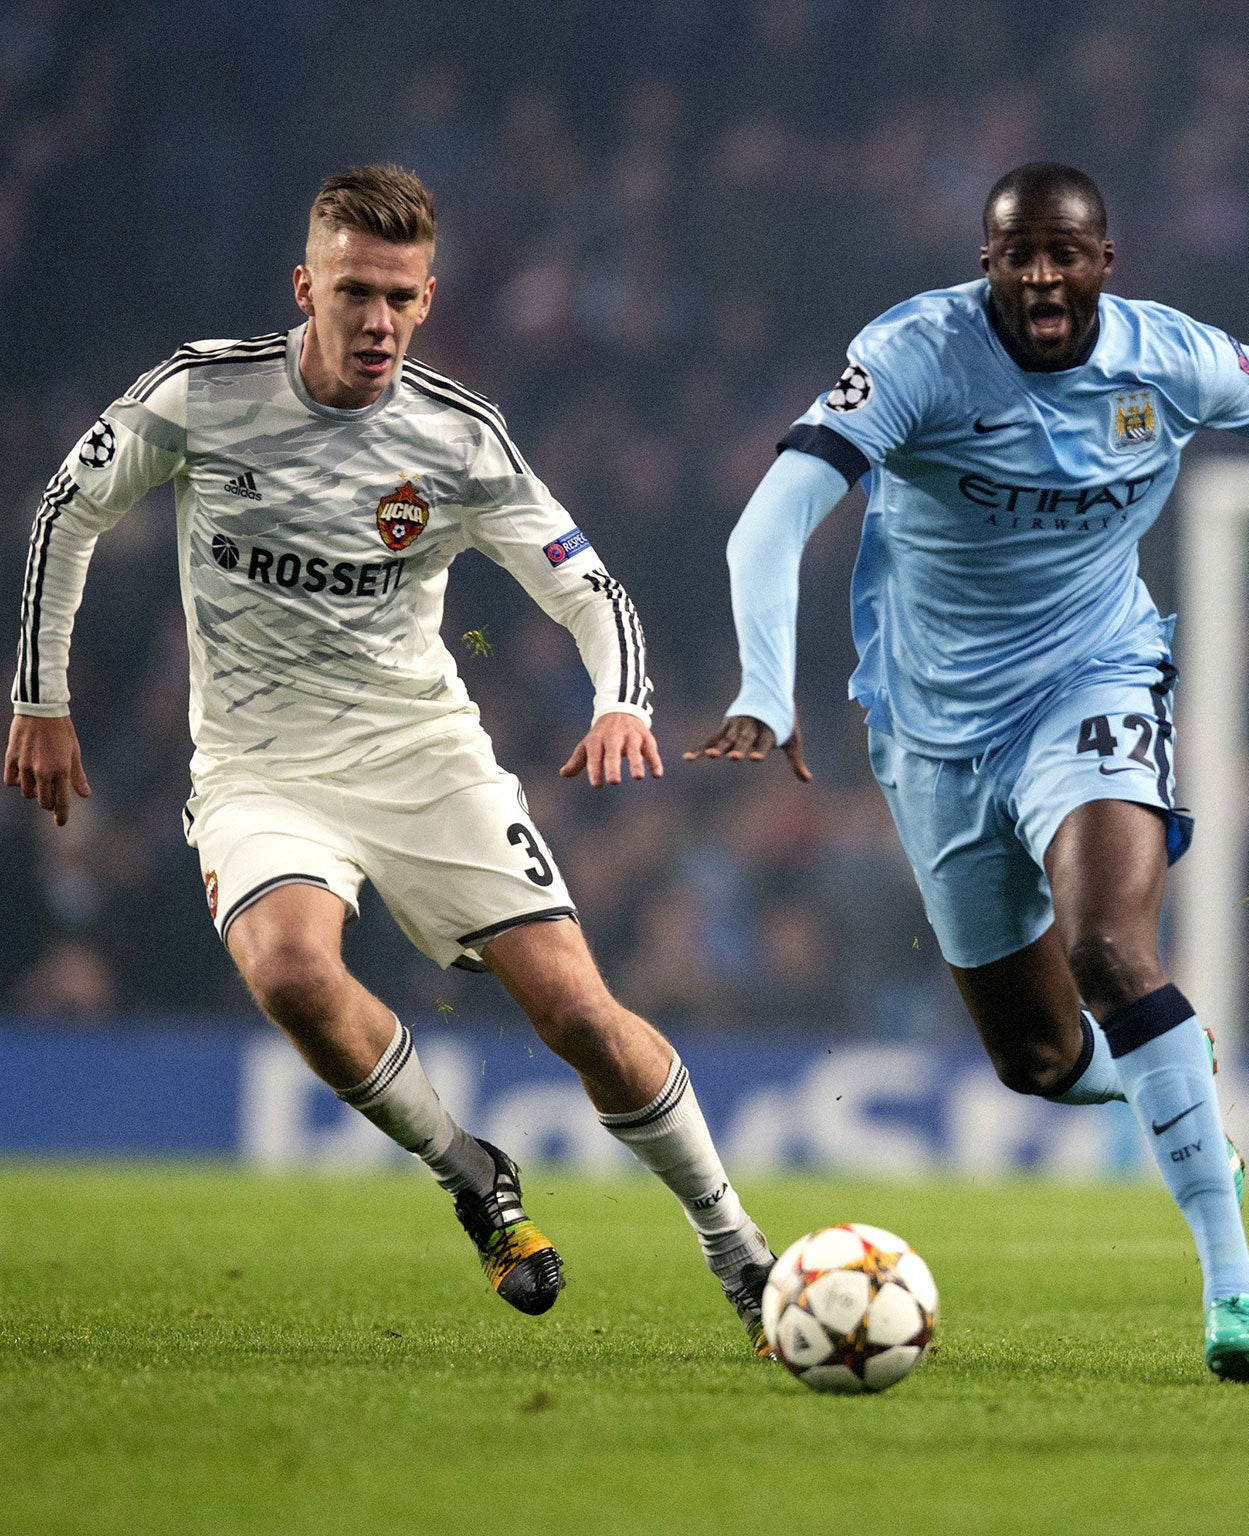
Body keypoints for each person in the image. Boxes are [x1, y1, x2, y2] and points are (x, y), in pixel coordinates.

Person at [688, 161, 1249, 1383]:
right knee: (1034, 1059)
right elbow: (770, 516)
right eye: (1015, 254)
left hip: (1094, 681)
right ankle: (1170, 1097)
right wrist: (764, 686)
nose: (1039, 274)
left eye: (1063, 253)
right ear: (985, 266)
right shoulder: (914, 355)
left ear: (1103, 263)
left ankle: (1232, 1286)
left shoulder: (1170, 360)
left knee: (1110, 948)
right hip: (929, 732)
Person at [6, 165, 776, 1353]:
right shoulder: (202, 396)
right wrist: (41, 697)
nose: (376, 321)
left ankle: (736, 1246)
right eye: (354, 292)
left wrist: (621, 700)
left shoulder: (457, 438)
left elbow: (588, 586)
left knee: (577, 1011)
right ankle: (470, 1172)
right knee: (290, 974)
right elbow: (69, 508)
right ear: (304, 286)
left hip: (424, 756)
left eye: (400, 298)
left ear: (428, 300)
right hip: (259, 768)